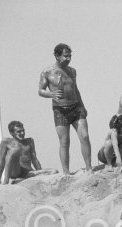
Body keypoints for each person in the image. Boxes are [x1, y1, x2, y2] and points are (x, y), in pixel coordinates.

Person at [38, 43, 92, 175]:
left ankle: (89, 168)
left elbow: (76, 89)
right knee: (64, 141)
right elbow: (40, 91)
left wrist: (83, 106)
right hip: (60, 110)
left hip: (76, 107)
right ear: (57, 56)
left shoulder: (72, 71)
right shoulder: (47, 72)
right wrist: (51, 94)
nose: (68, 59)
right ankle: (66, 172)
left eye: (70, 56)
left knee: (84, 136)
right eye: (65, 56)